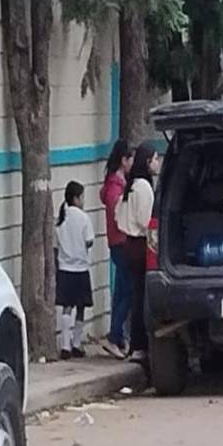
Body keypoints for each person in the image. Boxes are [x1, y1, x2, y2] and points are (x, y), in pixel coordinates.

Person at [118, 143, 160, 362]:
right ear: (147, 161)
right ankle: (139, 343)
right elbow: (147, 221)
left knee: (135, 294)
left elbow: (119, 215)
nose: (158, 162)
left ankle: (135, 343)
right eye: (155, 158)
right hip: (141, 244)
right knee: (142, 297)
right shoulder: (143, 187)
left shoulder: (131, 185)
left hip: (129, 244)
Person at [99, 139, 133, 359]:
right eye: (130, 160)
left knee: (121, 290)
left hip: (119, 242)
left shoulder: (117, 183)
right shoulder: (115, 186)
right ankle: (114, 335)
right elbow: (116, 211)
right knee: (129, 291)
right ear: (123, 160)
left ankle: (118, 336)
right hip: (121, 242)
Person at [55, 181, 94, 360]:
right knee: (81, 306)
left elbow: (56, 245)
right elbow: (89, 241)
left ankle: (65, 345)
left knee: (66, 307)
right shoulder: (83, 218)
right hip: (80, 267)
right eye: (82, 197)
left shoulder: (61, 219)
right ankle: (76, 343)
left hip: (64, 267)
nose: (83, 200)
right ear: (76, 198)